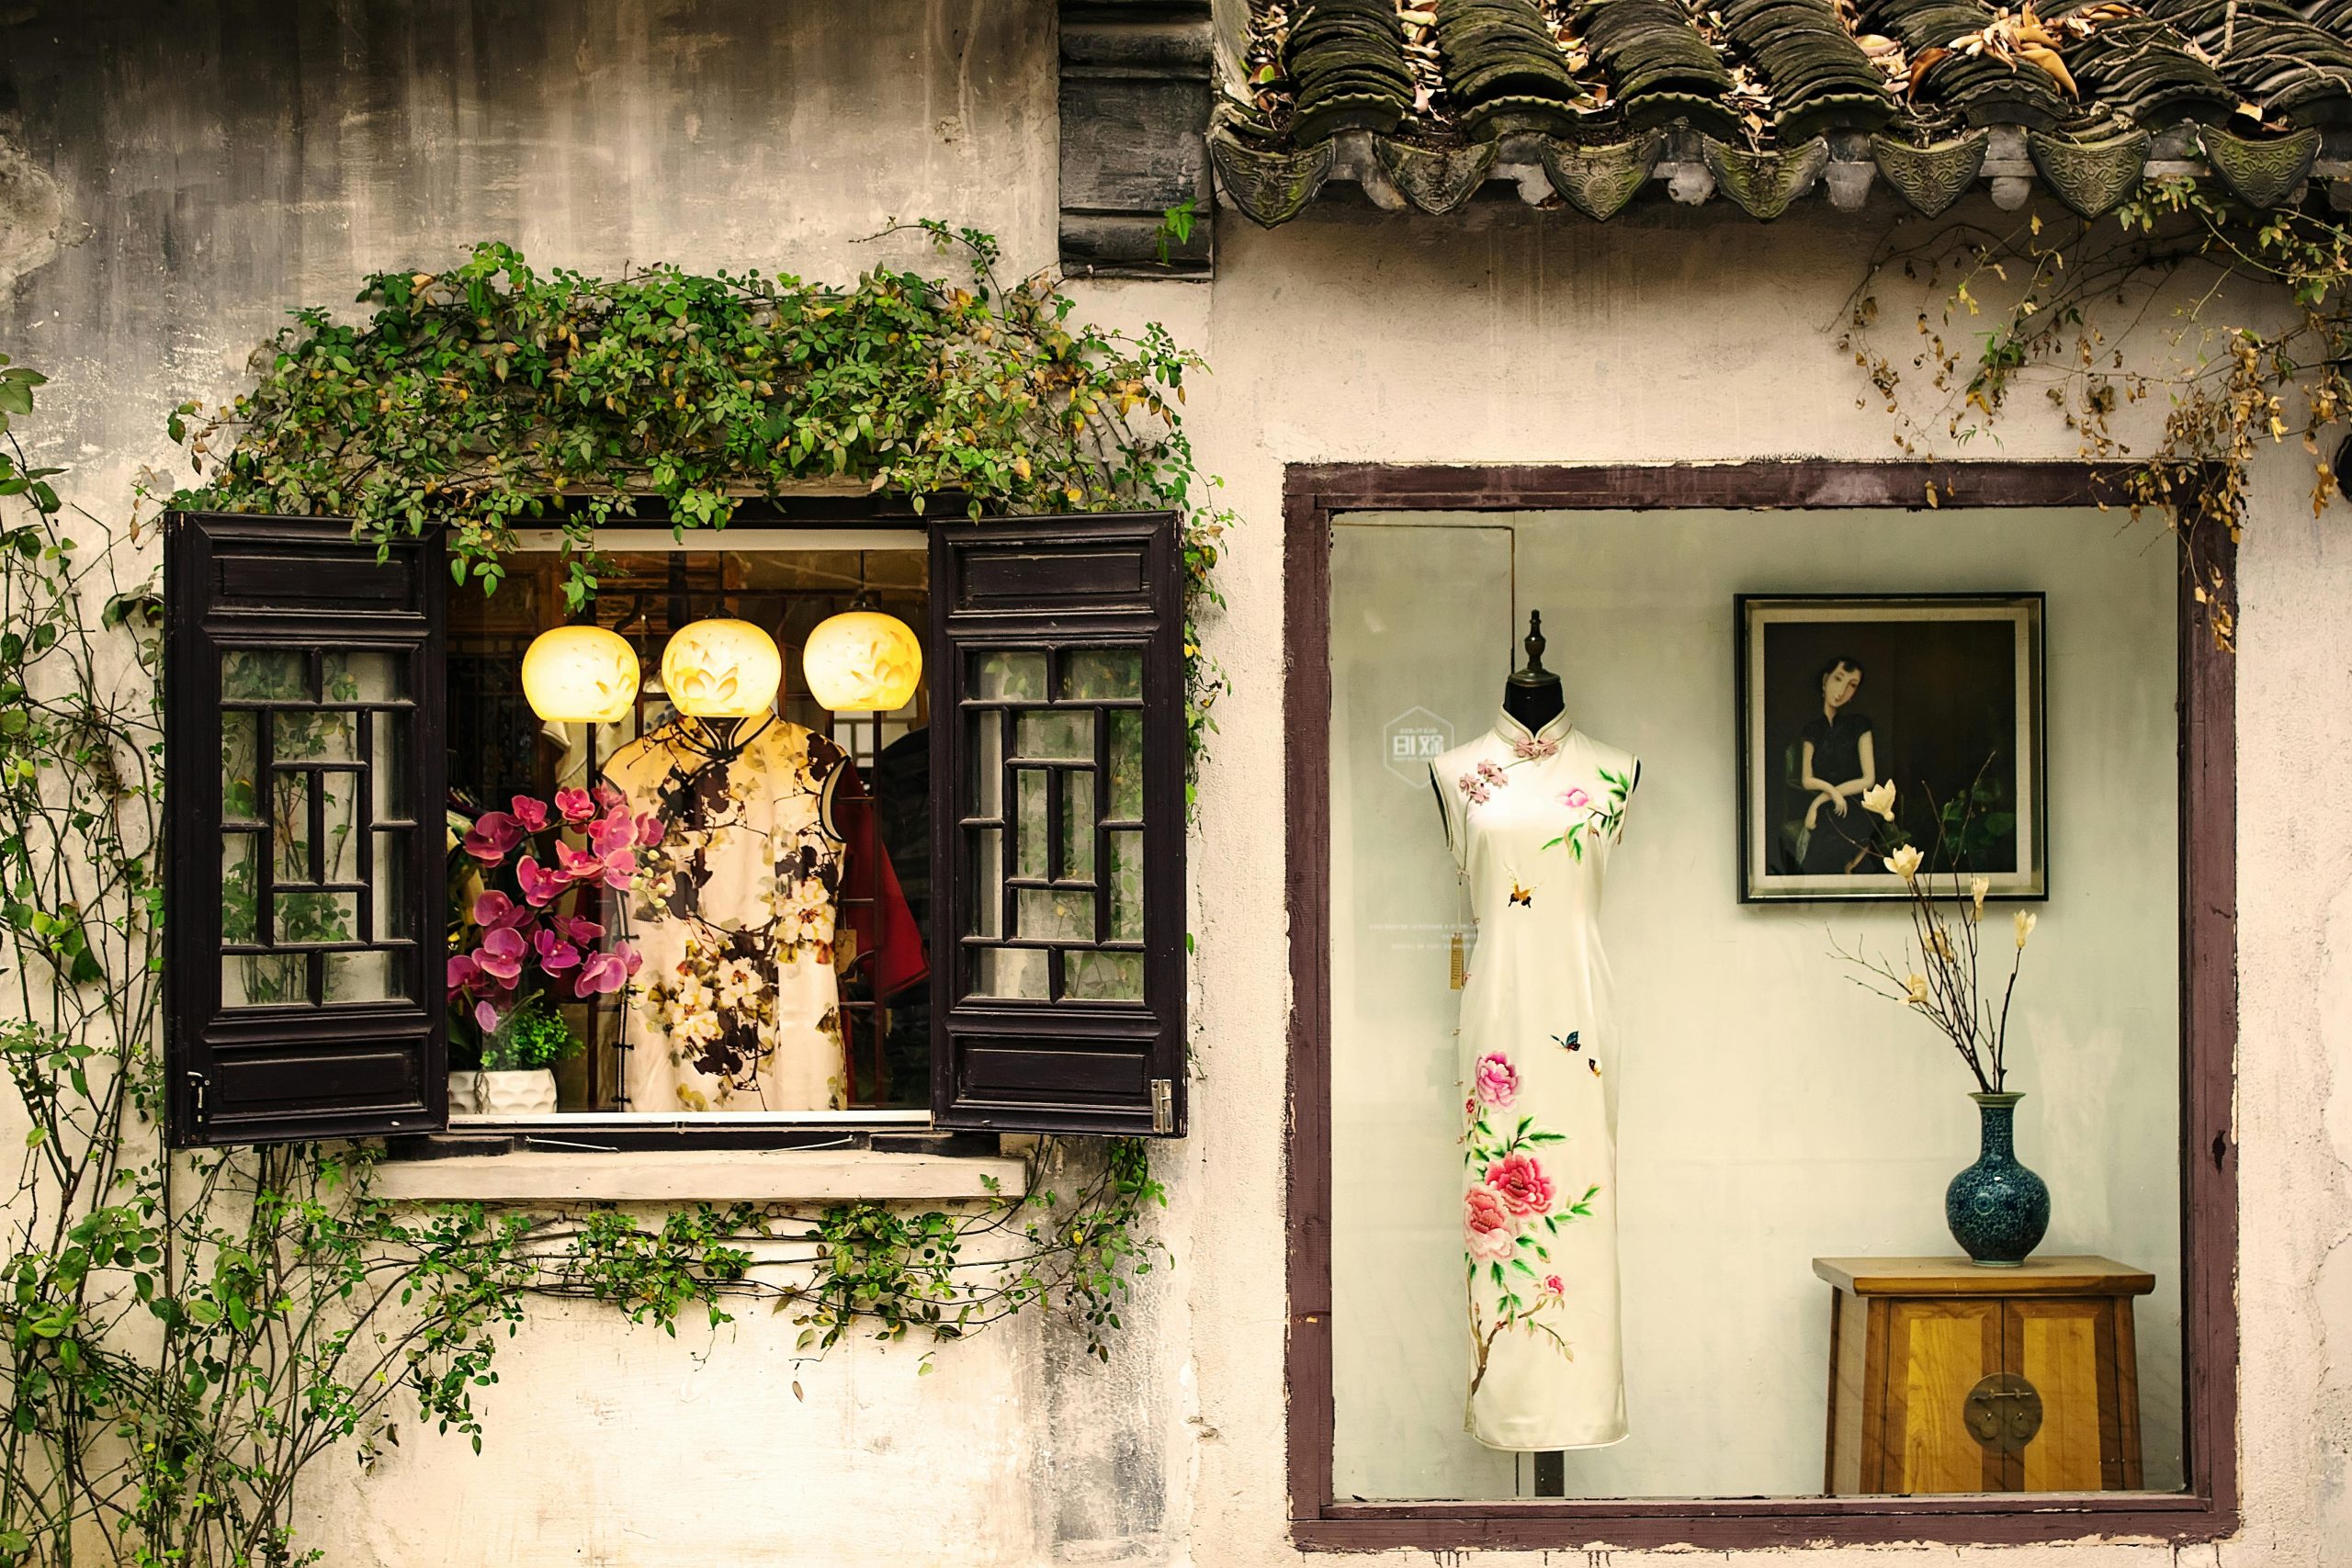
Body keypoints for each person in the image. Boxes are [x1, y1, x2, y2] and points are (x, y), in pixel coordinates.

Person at [1792, 654, 1877, 875]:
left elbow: (1868, 779)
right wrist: (1831, 793)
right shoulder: (1812, 730)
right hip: (1830, 808)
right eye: (1838, 679)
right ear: (1825, 680)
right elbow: (1807, 780)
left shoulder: (1860, 725)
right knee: (1821, 853)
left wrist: (1819, 801)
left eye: (1852, 685)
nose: (1842, 691)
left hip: (1857, 805)